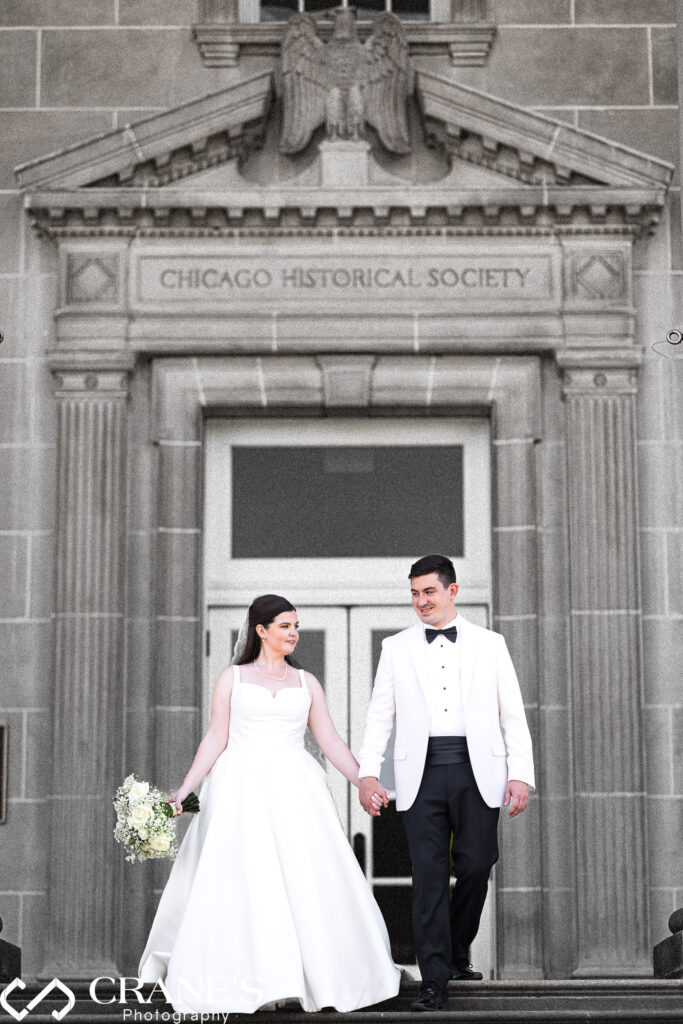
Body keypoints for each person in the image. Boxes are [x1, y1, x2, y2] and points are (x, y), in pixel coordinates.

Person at [138, 594, 401, 1015]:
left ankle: (313, 976)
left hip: (295, 788)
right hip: (241, 788)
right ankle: (250, 975)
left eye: (295, 625)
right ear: (260, 630)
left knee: (303, 877)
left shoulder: (306, 682)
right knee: (247, 880)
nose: (293, 633)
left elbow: (329, 740)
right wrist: (185, 790)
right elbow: (215, 739)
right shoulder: (233, 678)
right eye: (284, 626)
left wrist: (364, 780)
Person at [357, 554, 535, 1011]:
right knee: (429, 877)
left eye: (429, 592)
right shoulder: (395, 648)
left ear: (452, 591)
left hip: (479, 770)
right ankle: (434, 978)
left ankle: (456, 949)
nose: (421, 601)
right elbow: (380, 714)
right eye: (414, 593)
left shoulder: (490, 643)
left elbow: (511, 713)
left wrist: (520, 775)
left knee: (477, 864)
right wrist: (368, 773)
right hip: (421, 772)